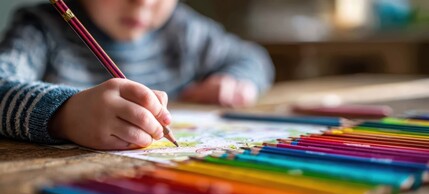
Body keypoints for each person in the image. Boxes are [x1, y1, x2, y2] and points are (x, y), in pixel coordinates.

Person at [0, 0, 274, 150]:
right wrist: (65, 115)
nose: (143, 2)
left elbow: (252, 57)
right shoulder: (42, 29)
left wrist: (235, 82)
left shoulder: (186, 31)